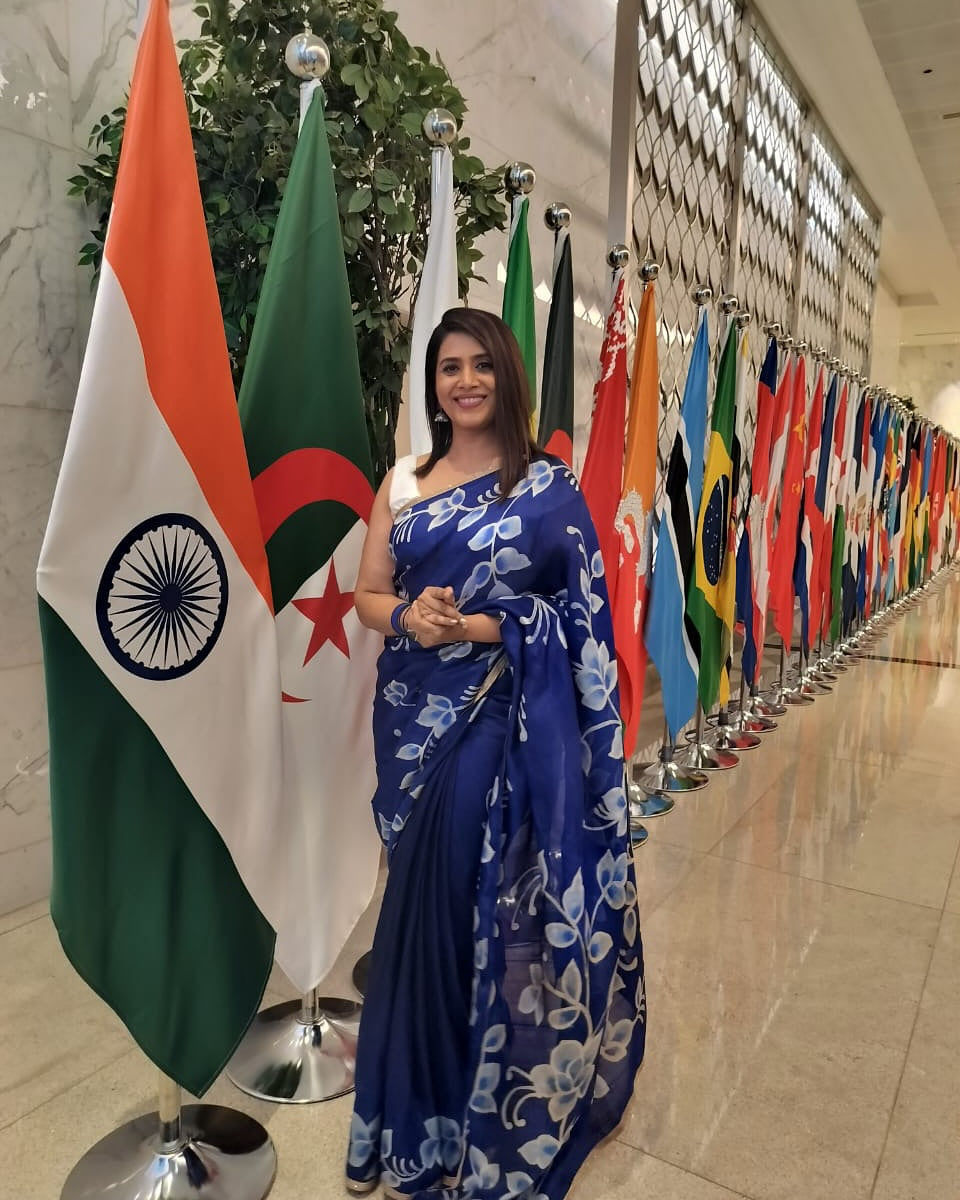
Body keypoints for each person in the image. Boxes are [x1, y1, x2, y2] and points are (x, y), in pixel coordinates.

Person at [348, 308, 645, 1200]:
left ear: (506, 375)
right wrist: (409, 617)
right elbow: (368, 593)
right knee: (416, 908)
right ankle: (412, 1119)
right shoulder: (402, 480)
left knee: (460, 911)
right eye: (448, 368)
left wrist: (472, 624)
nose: (465, 381)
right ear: (431, 382)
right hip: (412, 720)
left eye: (481, 365)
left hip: (502, 719)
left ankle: (457, 1120)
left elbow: (581, 613)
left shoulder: (546, 487)